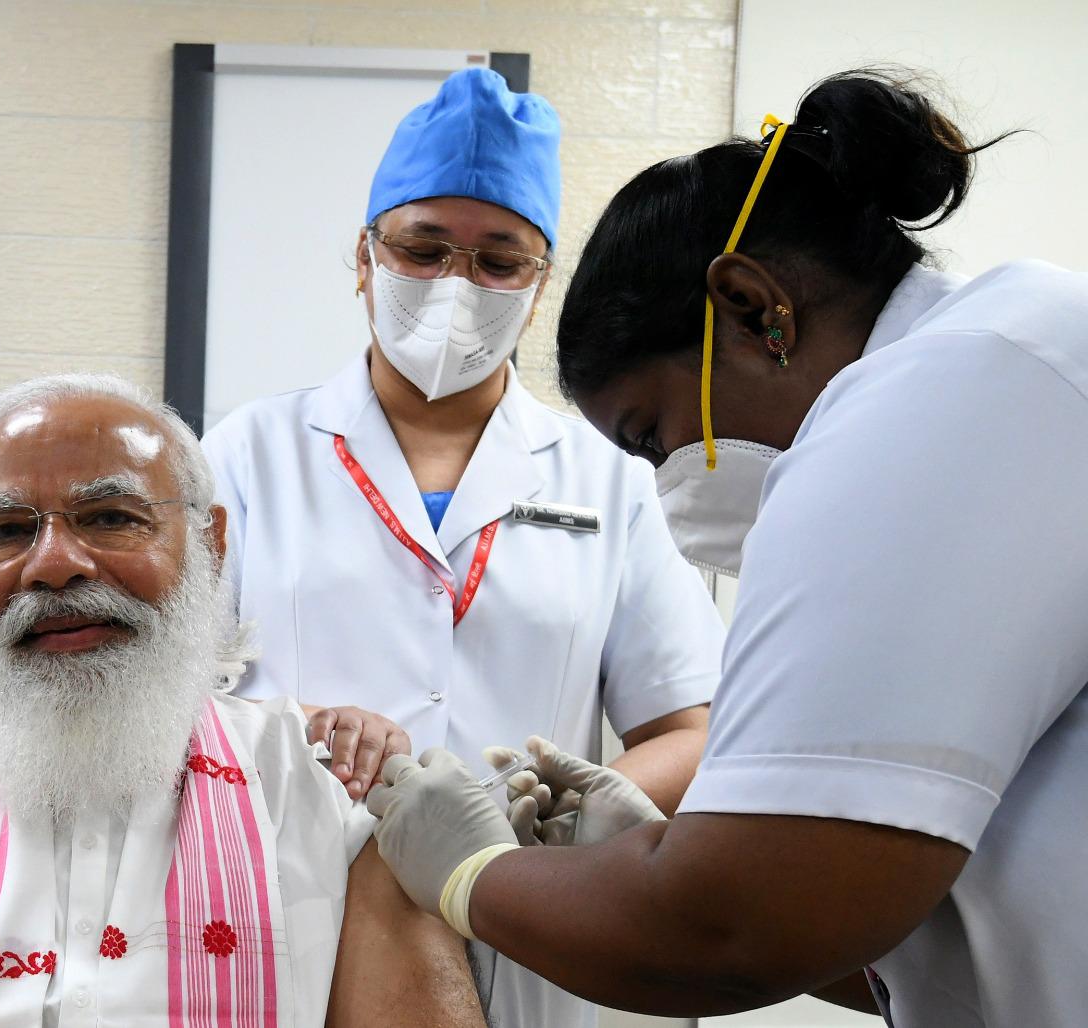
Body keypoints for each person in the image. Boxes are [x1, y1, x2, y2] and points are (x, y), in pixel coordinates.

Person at [364, 69, 1088, 1027]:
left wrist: (472, 873)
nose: (669, 486)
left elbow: (731, 935)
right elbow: (877, 914)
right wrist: (649, 850)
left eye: (655, 437)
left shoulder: (930, 406)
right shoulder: (1015, 351)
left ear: (754, 309)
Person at [200, 67, 726, 1028]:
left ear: (539, 284)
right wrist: (302, 732)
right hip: (297, 901)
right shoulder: (246, 455)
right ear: (363, 257)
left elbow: (686, 730)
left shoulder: (606, 476)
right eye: (424, 247)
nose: (457, 285)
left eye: (498, 261)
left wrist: (569, 811)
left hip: (541, 915)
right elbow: (172, 703)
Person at [0, 374, 486, 1028]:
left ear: (211, 546)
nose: (52, 564)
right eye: (6, 531)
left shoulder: (330, 788)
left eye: (109, 517)